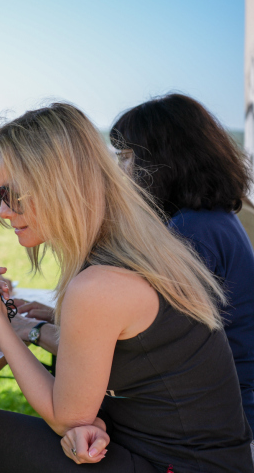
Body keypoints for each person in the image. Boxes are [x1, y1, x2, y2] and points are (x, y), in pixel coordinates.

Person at [0, 103, 254, 472]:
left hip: (177, 465)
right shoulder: (141, 248)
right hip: (178, 454)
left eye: (15, 194)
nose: (5, 211)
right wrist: (94, 424)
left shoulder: (99, 284)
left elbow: (65, 416)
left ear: (64, 188)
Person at [111, 93, 254, 441]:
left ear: (162, 162)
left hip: (226, 418)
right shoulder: (211, 218)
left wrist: (39, 331)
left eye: (126, 157)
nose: (119, 171)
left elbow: (157, 344)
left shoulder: (192, 232)